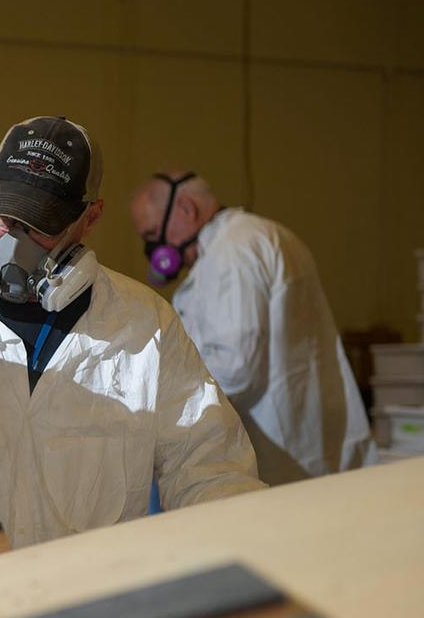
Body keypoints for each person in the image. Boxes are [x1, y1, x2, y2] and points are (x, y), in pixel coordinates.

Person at [0, 116, 265, 548]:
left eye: (39, 225)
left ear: (90, 218)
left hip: (87, 604)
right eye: (4, 217)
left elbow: (210, 469)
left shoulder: (144, 326)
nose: (12, 243)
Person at [130, 172, 376, 485]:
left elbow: (234, 371)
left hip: (280, 459)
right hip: (309, 447)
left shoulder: (231, 251)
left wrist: (157, 407)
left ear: (188, 209)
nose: (153, 250)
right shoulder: (264, 234)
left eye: (153, 235)